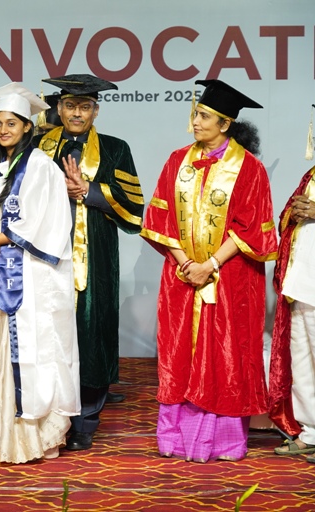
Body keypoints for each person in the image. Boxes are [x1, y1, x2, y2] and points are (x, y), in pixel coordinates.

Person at [140, 79, 277, 463]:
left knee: (224, 356)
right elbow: (161, 218)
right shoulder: (177, 160)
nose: (195, 123)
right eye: (196, 114)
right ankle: (176, 439)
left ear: (225, 123)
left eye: (203, 116)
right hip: (182, 277)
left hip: (230, 278)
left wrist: (211, 264)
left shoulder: (249, 168)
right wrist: (187, 263)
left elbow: (251, 228)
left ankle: (221, 441)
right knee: (181, 355)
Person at [0, 82, 80, 463]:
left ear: (27, 126)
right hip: (5, 276)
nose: (3, 131)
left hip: (35, 278)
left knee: (36, 348)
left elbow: (34, 226)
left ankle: (40, 435)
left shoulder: (41, 167)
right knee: (8, 349)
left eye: (11, 123)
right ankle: (13, 438)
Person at [37, 74, 144, 450]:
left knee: (90, 331)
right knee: (49, 333)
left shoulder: (115, 149)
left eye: (85, 107)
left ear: (96, 110)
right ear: (59, 107)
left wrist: (90, 190)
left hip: (94, 255)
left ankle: (85, 420)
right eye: (70, 106)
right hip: (45, 254)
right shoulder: (37, 147)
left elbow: (134, 206)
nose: (77, 113)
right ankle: (50, 416)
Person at [268, 148, 315, 459]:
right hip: (300, 282)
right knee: (301, 362)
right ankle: (310, 431)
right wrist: (293, 214)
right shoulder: (311, 175)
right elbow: (288, 215)